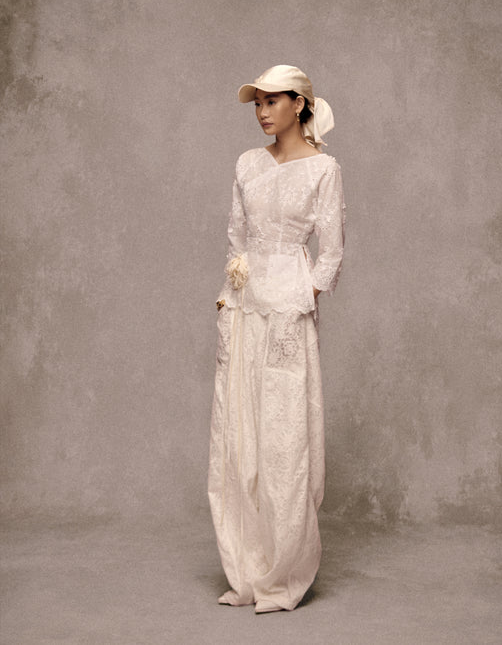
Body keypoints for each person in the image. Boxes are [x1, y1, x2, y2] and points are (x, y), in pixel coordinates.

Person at [208, 64, 345, 613]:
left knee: (285, 438)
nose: (262, 112)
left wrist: (301, 295)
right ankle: (246, 570)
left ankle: (283, 571)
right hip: (244, 308)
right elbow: (236, 238)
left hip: (288, 313)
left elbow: (331, 250)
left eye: (272, 101)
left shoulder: (324, 169)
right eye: (257, 104)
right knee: (239, 436)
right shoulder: (247, 163)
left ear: (299, 104)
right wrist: (229, 300)